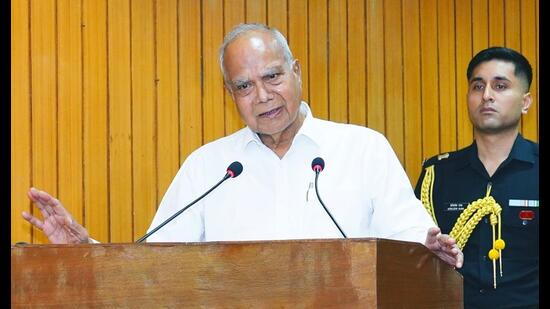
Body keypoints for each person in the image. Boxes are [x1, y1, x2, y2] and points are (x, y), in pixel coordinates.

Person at [23, 23, 462, 268]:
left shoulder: (363, 149)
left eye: (273, 76)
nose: (263, 95)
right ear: (230, 95)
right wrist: (89, 250)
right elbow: (151, 265)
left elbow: (412, 242)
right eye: (244, 85)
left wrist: (431, 250)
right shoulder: (209, 167)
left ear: (296, 71)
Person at [415, 47, 538, 308]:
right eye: (477, 86)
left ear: (525, 102)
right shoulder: (437, 175)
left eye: (500, 86)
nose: (486, 96)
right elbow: (411, 256)